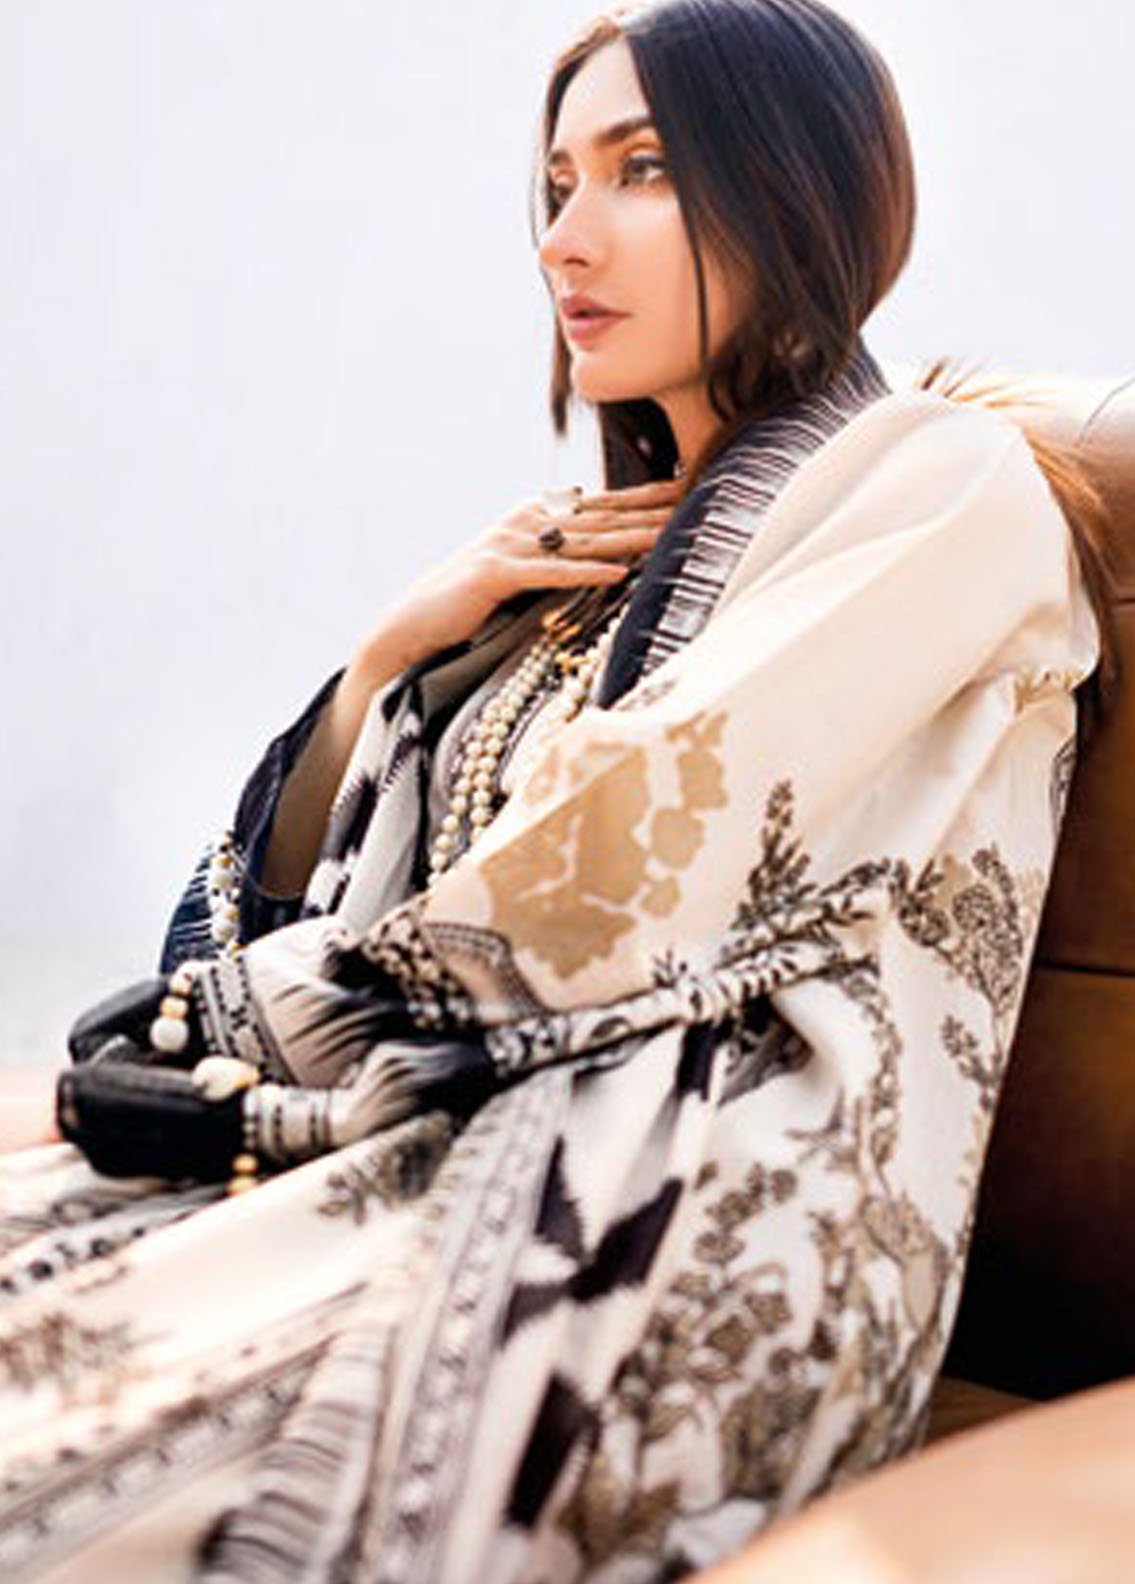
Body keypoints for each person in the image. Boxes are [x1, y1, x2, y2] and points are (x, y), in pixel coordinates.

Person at [0, 1, 1110, 1579]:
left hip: (699, 1204)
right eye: (556, 184)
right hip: (439, 1119)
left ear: (800, 184)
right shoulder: (572, 569)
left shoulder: (936, 480)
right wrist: (391, 660)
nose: (564, 239)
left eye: (643, 170)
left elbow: (618, 867)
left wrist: (212, 1038)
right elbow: (352, 893)